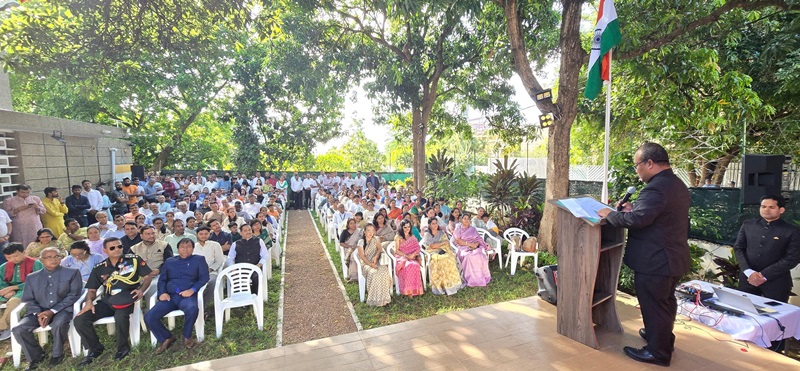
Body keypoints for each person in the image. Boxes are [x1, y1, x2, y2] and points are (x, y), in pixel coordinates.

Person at [597, 142, 690, 367]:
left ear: (649, 163)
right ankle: (663, 338)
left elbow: (638, 221)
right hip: (671, 256)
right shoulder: (676, 184)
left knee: (654, 304)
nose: (637, 170)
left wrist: (610, 214)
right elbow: (653, 216)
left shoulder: (656, 188)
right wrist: (634, 210)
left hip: (656, 260)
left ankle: (658, 353)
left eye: (637, 165)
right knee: (665, 302)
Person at [74, 237, 153, 365]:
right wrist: (89, 302)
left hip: (127, 299)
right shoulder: (100, 267)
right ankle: (95, 348)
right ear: (105, 250)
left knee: (121, 316)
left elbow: (148, 277)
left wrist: (141, 290)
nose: (117, 249)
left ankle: (123, 348)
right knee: (80, 319)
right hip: (107, 301)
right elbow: (92, 290)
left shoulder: (133, 260)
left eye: (119, 246)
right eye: (112, 248)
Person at [12, 247, 82, 369]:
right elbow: (28, 299)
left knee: (59, 323)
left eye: (56, 256)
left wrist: (52, 311)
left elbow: (74, 295)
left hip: (62, 310)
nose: (53, 259)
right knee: (19, 329)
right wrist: (38, 313)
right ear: (41, 260)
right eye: (49, 257)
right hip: (38, 312)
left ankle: (57, 354)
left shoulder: (72, 272)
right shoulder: (32, 277)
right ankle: (36, 356)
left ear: (61, 258)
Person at [145, 238, 209, 353]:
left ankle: (186, 336)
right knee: (149, 316)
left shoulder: (199, 260)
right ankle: (166, 337)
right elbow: (162, 280)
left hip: (187, 296)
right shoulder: (170, 261)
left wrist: (192, 289)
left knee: (192, 309)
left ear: (193, 248)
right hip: (170, 296)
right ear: (178, 249)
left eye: (188, 246)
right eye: (182, 247)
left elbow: (204, 278)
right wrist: (162, 293)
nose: (185, 249)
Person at [733, 195, 800, 304]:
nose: (766, 210)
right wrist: (749, 272)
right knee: (743, 312)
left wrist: (763, 275)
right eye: (763, 206)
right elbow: (738, 248)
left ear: (781, 210)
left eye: (771, 207)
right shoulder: (748, 225)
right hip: (748, 279)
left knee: (776, 317)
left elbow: (792, 258)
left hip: (776, 282)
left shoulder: (792, 231)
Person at [0, 243, 44, 341]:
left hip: (28, 289)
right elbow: (1, 282)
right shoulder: (4, 266)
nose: (12, 259)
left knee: (13, 302)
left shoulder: (36, 264)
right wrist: (6, 290)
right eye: (8, 257)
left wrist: (13, 288)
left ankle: (4, 327)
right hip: (8, 290)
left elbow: (37, 281)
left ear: (24, 252)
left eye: (15, 256)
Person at [422, 218, 463, 295]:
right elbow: (432, 246)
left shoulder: (441, 233)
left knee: (449, 258)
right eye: (433, 223)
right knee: (440, 260)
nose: (435, 225)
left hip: (442, 251)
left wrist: (440, 244)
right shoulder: (427, 234)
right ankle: (441, 285)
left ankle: (452, 284)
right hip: (432, 253)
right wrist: (441, 243)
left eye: (436, 223)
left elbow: (447, 243)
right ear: (429, 225)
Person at [225, 224, 268, 294]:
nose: (248, 232)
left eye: (249, 230)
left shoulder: (259, 241)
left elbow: (265, 255)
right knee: (235, 278)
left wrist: (259, 264)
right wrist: (233, 268)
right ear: (241, 233)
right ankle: (239, 298)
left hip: (255, 267)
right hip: (240, 269)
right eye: (245, 231)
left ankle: (255, 297)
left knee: (256, 277)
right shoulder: (235, 244)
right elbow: (230, 258)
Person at [356, 224, 392, 307]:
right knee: (375, 274)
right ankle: (374, 299)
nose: (370, 233)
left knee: (384, 271)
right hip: (366, 263)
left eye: (372, 230)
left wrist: (376, 256)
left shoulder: (376, 239)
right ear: (364, 232)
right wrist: (370, 264)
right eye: (368, 230)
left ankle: (384, 298)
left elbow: (380, 249)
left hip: (376, 262)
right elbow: (362, 256)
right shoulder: (361, 242)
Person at [452, 214, 492, 287]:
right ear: (461, 220)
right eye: (465, 218)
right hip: (463, 247)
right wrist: (470, 244)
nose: (467, 220)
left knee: (480, 255)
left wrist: (475, 245)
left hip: (474, 247)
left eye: (468, 219)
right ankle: (470, 279)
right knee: (468, 256)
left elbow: (478, 239)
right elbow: (458, 241)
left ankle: (480, 277)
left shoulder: (473, 229)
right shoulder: (458, 229)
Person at [192, 226, 225, 304]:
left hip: (211, 272)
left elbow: (219, 261)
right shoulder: (193, 246)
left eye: (206, 234)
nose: (203, 236)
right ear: (197, 235)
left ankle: (203, 306)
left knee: (211, 282)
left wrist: (209, 269)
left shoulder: (215, 245)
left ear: (209, 234)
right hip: (195, 273)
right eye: (201, 234)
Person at [392, 219, 424, 297]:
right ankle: (408, 291)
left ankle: (415, 290)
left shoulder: (412, 236)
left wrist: (413, 255)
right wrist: (406, 256)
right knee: (407, 266)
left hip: (412, 257)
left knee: (415, 265)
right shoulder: (398, 237)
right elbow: (396, 250)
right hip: (401, 257)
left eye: (409, 227)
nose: (407, 229)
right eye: (405, 227)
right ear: (401, 227)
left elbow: (417, 247)